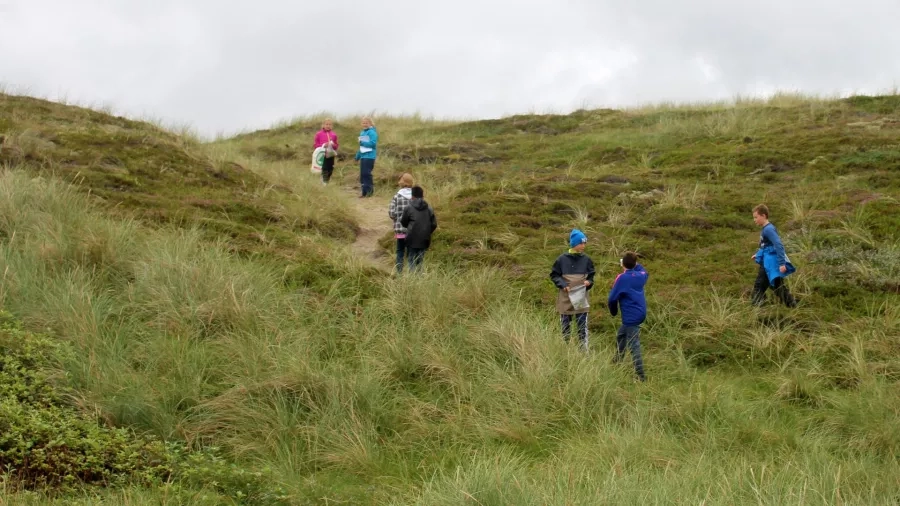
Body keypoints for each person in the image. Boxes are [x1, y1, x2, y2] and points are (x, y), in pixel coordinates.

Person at [549, 229, 596, 352]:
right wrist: (562, 284)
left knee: (582, 325)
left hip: (581, 297)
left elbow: (591, 276)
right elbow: (554, 275)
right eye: (581, 243)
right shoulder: (561, 259)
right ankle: (565, 350)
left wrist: (589, 282)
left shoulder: (587, 259)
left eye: (585, 243)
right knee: (565, 326)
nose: (584, 246)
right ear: (574, 244)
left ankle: (583, 351)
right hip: (565, 298)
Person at [607, 251, 648, 381]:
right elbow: (643, 270)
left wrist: (613, 311)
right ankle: (617, 361)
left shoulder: (623, 278)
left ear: (623, 264)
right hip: (640, 312)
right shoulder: (641, 276)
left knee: (633, 344)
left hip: (631, 315)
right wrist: (633, 261)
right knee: (621, 335)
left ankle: (640, 376)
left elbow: (612, 299)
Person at [751, 204, 797, 307]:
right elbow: (766, 246)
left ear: (763, 215)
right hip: (768, 261)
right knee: (777, 286)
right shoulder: (766, 228)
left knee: (759, 286)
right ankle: (792, 305)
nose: (754, 220)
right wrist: (758, 254)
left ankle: (756, 309)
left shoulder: (768, 229)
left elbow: (778, 245)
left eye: (756, 217)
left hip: (770, 263)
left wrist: (782, 263)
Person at [399, 186, 437, 272]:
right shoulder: (429, 208)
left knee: (411, 260)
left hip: (411, 238)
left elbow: (403, 222)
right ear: (423, 196)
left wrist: (409, 228)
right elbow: (434, 224)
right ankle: (420, 279)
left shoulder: (408, 208)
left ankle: (412, 280)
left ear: (412, 196)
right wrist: (427, 231)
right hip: (425, 238)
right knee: (420, 261)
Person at [388, 173, 414, 273]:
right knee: (411, 252)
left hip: (400, 230)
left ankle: (399, 273)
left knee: (400, 251)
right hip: (413, 231)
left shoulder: (396, 197)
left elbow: (391, 213)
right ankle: (412, 273)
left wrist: (396, 218)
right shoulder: (416, 197)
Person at [354, 117, 378, 197]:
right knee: (362, 175)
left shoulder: (372, 132)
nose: (364, 124)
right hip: (363, 156)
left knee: (366, 174)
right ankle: (364, 193)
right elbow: (361, 147)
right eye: (363, 123)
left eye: (366, 123)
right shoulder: (362, 133)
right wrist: (357, 157)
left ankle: (369, 192)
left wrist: (362, 142)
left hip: (370, 156)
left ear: (370, 124)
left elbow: (372, 144)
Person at [313, 119, 339, 185]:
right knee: (324, 168)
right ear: (323, 125)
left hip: (330, 154)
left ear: (332, 126)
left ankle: (326, 181)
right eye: (326, 124)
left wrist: (333, 145)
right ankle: (324, 182)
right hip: (322, 154)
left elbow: (336, 146)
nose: (328, 126)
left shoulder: (334, 135)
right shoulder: (319, 134)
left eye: (329, 124)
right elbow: (315, 145)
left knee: (330, 169)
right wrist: (324, 145)